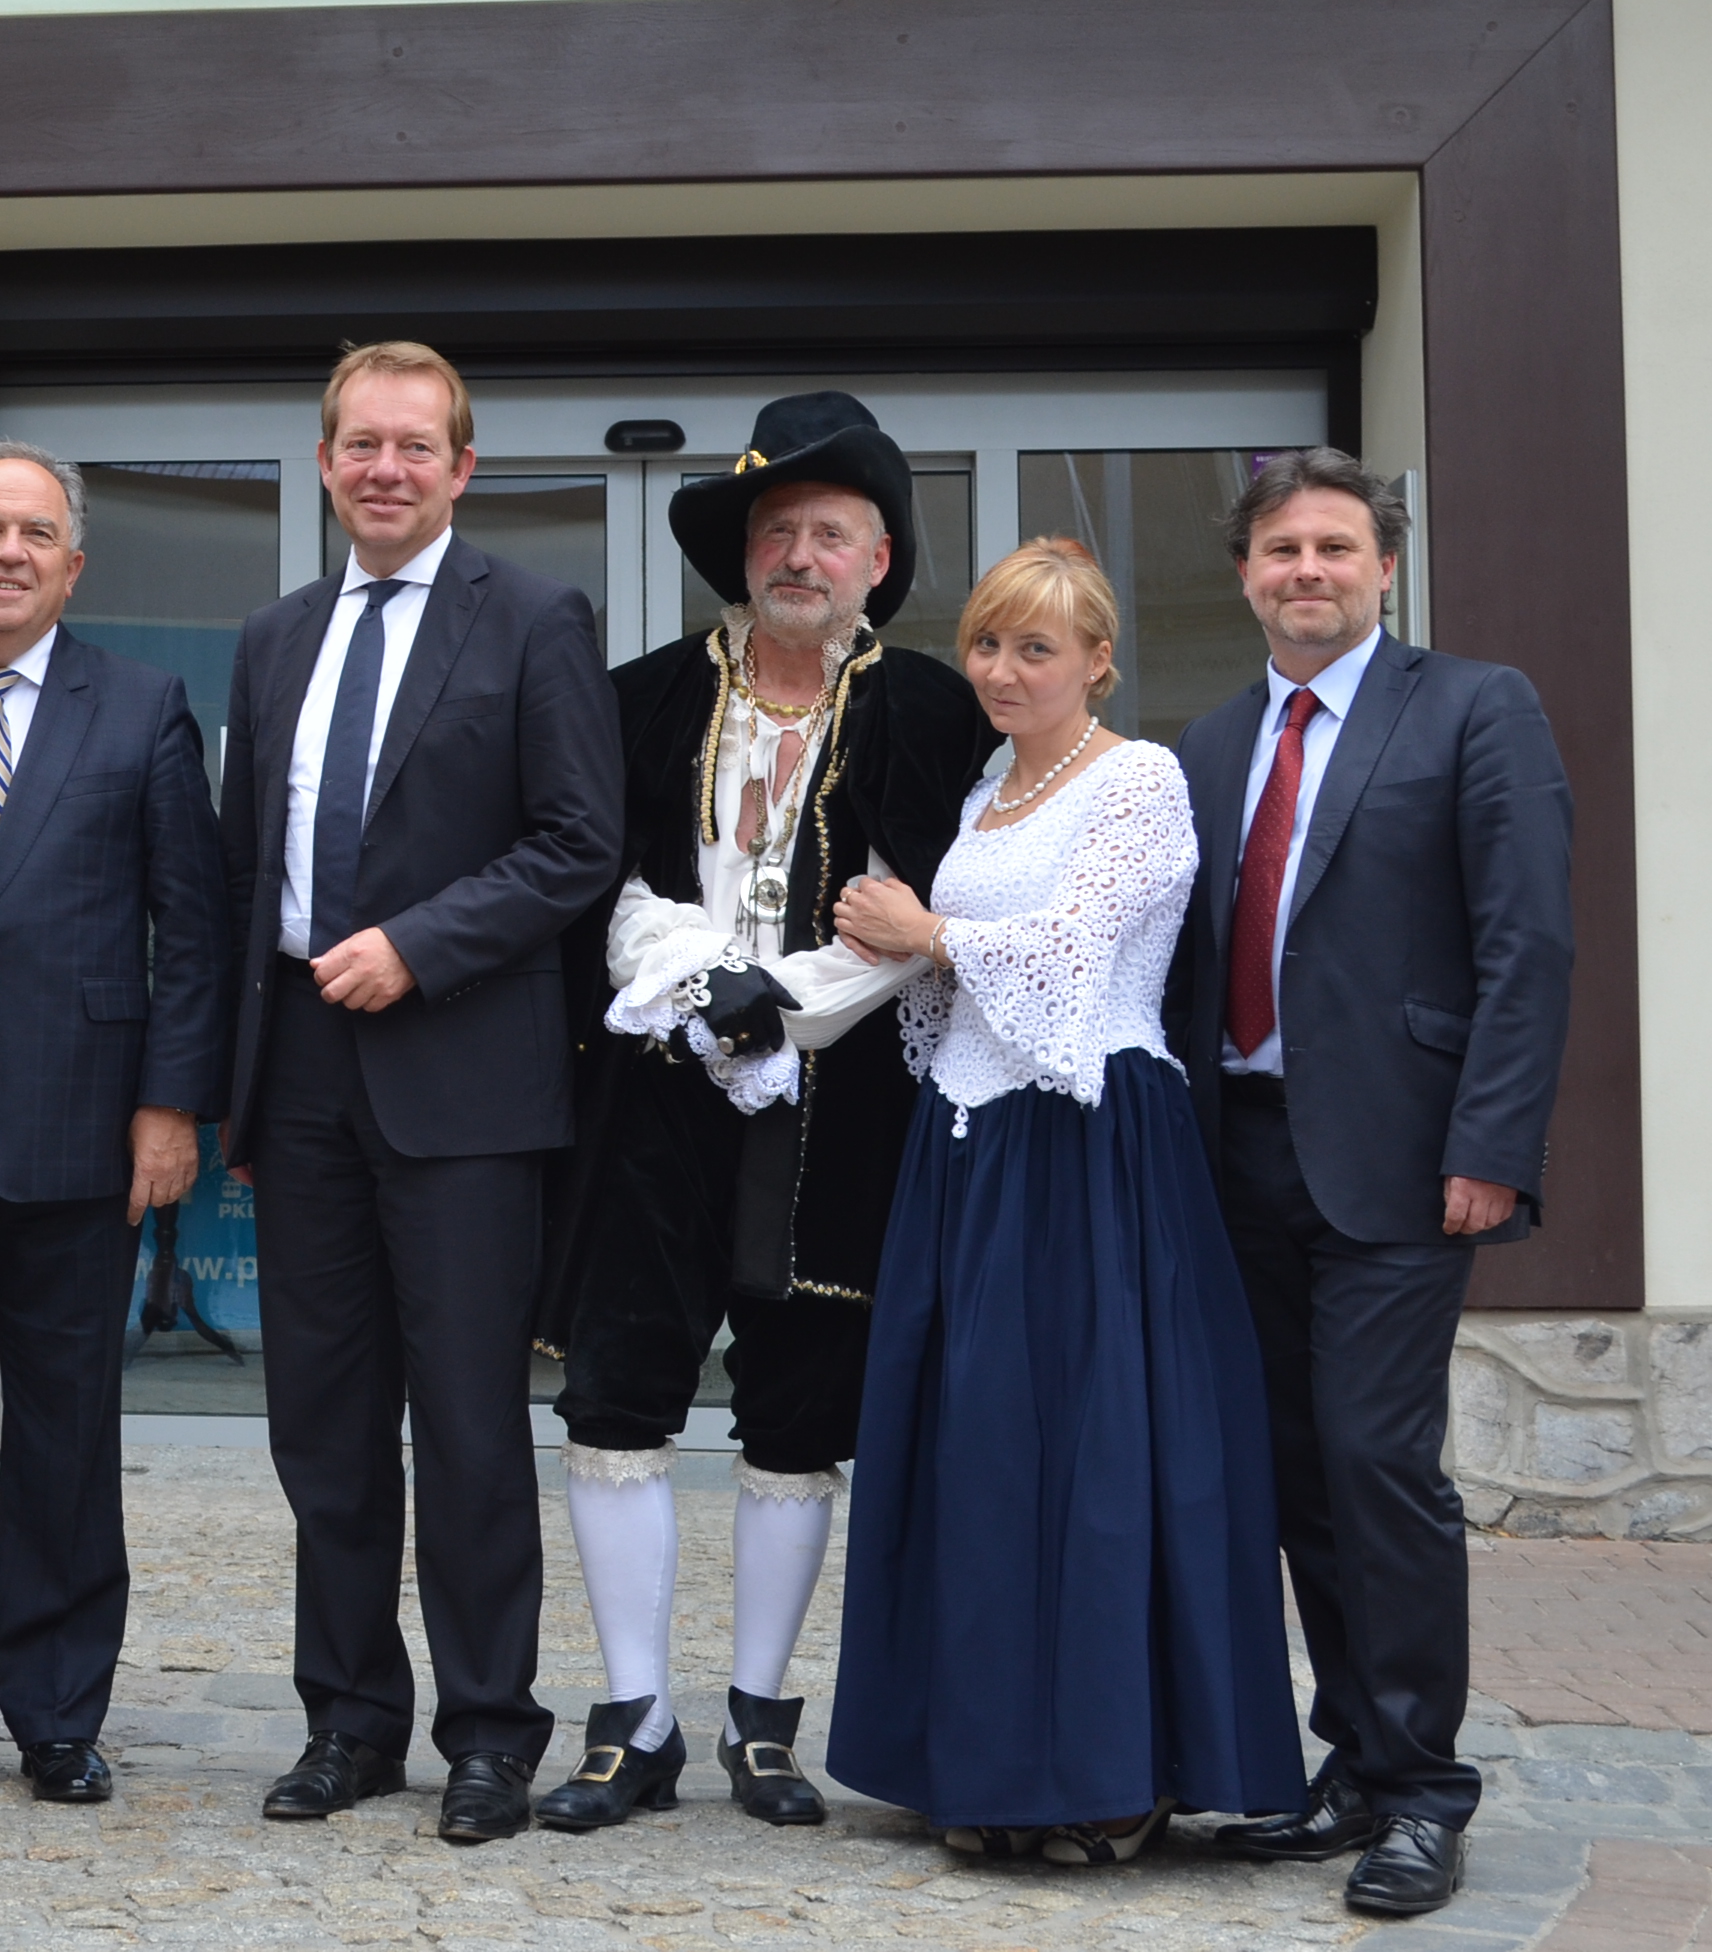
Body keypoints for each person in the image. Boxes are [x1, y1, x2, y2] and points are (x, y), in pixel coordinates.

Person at [533, 393, 999, 1835]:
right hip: (653, 1091)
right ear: (743, 555)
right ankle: (633, 1720)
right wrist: (698, 987)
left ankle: (760, 1721)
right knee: (619, 1393)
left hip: (842, 1102)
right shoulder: (642, 695)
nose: (801, 556)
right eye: (778, 531)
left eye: (832, 534)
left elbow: (922, 909)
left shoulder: (930, 710)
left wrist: (775, 1007)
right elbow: (605, 878)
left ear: (879, 560)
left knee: (798, 1411)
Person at [822, 538, 1304, 1862]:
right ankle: (981, 1765)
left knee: (1095, 1457)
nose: (1002, 670)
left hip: (1089, 1146)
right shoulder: (990, 789)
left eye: (1035, 648)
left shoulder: (1136, 781)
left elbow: (1080, 956)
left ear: (1098, 660)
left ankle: (1111, 1773)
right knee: (979, 1455)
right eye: (987, 643)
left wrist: (929, 933)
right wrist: (890, 948)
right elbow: (972, 976)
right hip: (971, 1142)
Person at [214, 342, 625, 1844]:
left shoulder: (533, 618)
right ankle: (349, 1722)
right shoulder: (275, 637)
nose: (384, 468)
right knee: (321, 1428)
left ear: (463, 468)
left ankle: (490, 1734)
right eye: (360, 444)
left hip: (459, 1073)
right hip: (302, 1075)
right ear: (326, 463)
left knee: (465, 1424)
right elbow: (241, 868)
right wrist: (231, 1091)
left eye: (414, 445)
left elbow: (579, 843)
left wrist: (419, 947)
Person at [1165, 449, 1574, 1922]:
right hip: (1237, 1154)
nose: (1309, 571)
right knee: (1294, 1473)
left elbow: (1530, 942)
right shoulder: (1210, 743)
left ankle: (1421, 1794)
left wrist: (1492, 1146)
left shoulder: (1474, 707)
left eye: (1337, 547)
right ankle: (1350, 1760)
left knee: (1377, 1460)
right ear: (1246, 576)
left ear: (1385, 568)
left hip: (1401, 1162)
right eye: (1283, 550)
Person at [0, 443, 233, 1803]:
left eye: (34, 533)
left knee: (66, 1427)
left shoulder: (140, 704)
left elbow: (192, 928)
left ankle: (59, 1711)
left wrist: (170, 1107)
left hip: (81, 1119)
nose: (7, 552)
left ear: (73, 566)